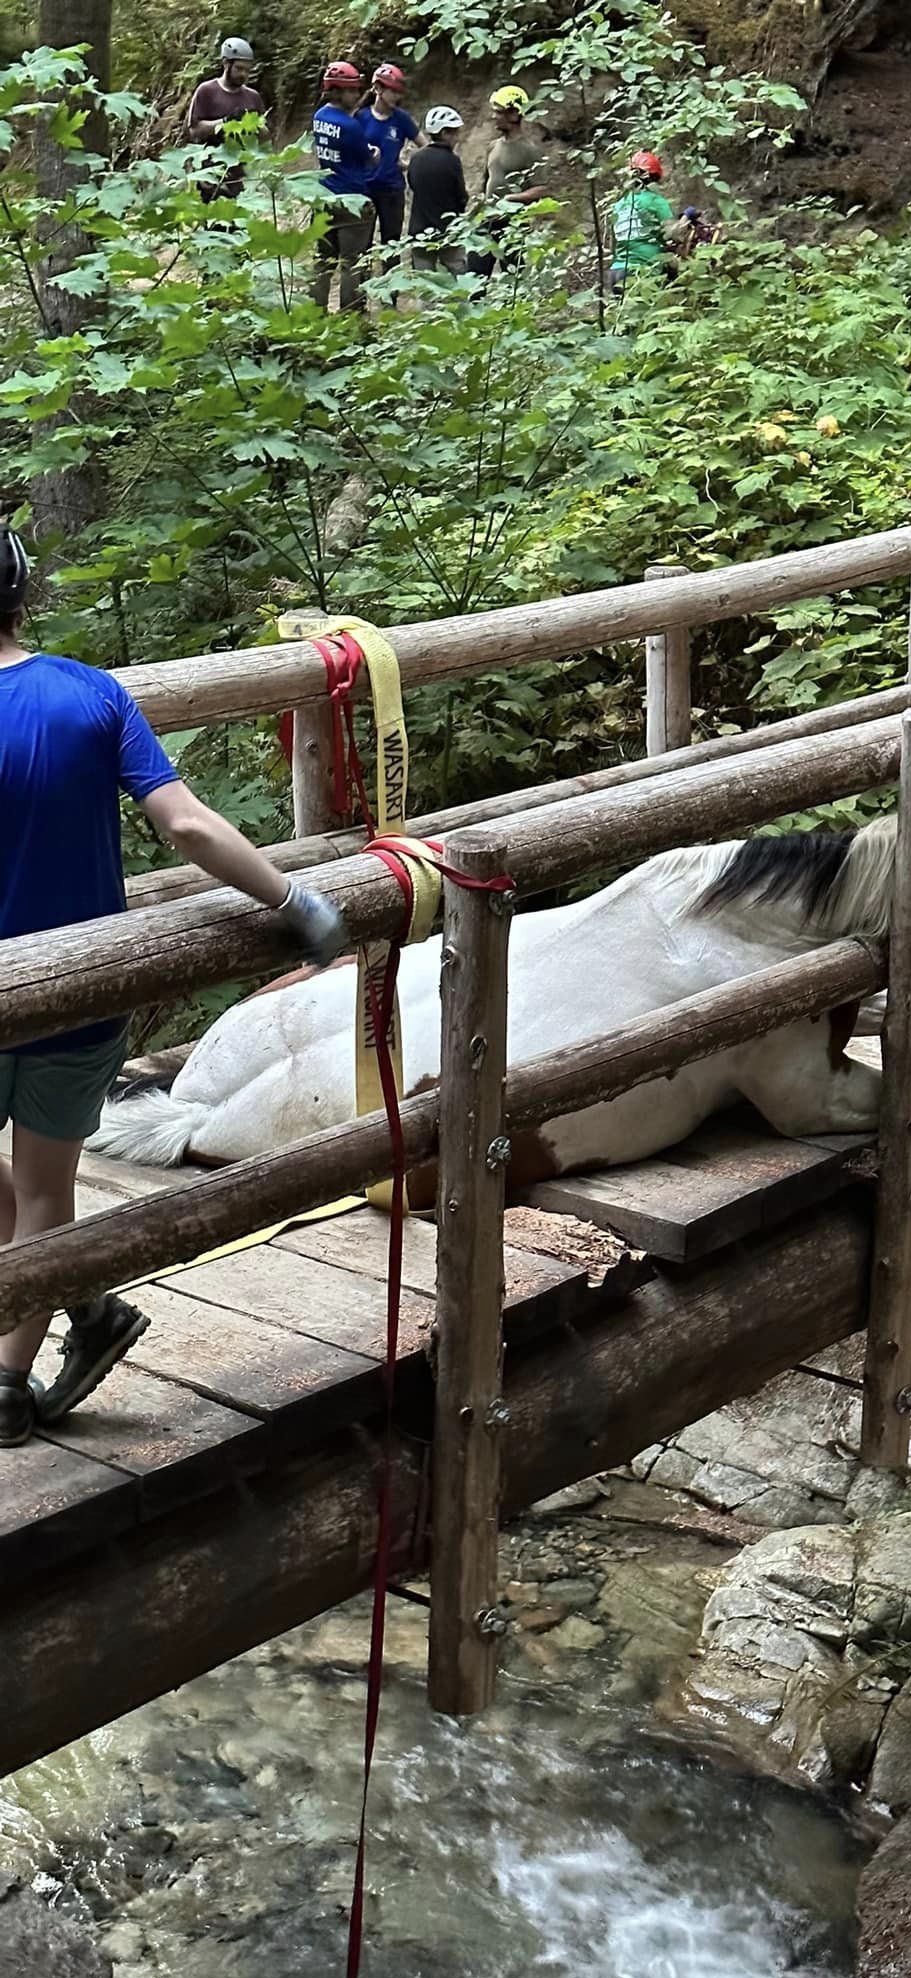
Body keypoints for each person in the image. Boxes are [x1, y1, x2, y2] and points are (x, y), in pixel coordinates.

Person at [0, 526, 346, 1450]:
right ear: (24, 595)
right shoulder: (91, 695)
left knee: (31, 1195)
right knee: (42, 1192)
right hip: (81, 988)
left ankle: (14, 1371)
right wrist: (293, 898)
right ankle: (44, 1340)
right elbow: (187, 826)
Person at [310, 60, 378, 314]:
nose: (357, 95)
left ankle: (315, 311)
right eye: (352, 90)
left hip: (324, 196)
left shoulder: (319, 117)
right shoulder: (351, 127)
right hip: (352, 200)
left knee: (323, 261)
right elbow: (367, 157)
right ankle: (351, 315)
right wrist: (376, 153)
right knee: (352, 262)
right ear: (337, 91)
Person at [469, 84, 551, 280]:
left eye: (499, 112)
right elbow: (486, 182)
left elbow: (542, 189)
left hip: (512, 225)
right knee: (474, 278)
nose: (493, 117)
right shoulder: (492, 147)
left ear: (514, 114)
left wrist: (512, 198)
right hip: (487, 222)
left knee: (512, 278)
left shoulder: (529, 151)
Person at [183, 35, 266, 200]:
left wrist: (253, 125)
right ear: (226, 63)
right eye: (239, 68)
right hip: (210, 173)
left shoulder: (253, 97)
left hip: (241, 175)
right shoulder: (206, 91)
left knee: (240, 224)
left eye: (247, 70)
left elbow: (265, 137)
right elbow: (194, 131)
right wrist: (225, 122)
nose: (243, 74)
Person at [358, 63, 419, 264]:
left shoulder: (402, 119)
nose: (396, 97)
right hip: (364, 190)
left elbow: (425, 145)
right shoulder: (361, 117)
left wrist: (409, 163)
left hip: (392, 189)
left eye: (398, 92)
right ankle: (362, 294)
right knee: (363, 248)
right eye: (392, 91)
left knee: (391, 246)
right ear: (378, 89)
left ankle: (390, 294)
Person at [407, 106, 468, 271]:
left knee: (425, 284)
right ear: (444, 133)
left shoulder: (416, 158)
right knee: (459, 277)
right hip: (448, 230)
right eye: (454, 133)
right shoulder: (452, 161)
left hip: (419, 230)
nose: (457, 138)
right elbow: (461, 196)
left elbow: (413, 185)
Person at [609, 151, 676, 290]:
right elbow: (672, 236)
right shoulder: (656, 201)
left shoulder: (619, 205)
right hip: (643, 273)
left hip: (616, 272)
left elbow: (612, 244)